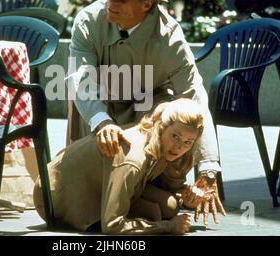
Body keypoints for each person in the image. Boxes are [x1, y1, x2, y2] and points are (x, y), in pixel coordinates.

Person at [65, 0, 225, 224]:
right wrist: (102, 121)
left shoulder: (170, 37)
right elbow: (81, 78)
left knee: (176, 113)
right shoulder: (88, 21)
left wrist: (208, 169)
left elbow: (194, 96)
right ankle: (89, 187)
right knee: (83, 99)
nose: (110, 3)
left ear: (147, 4)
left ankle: (160, 188)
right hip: (100, 102)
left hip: (149, 107)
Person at [34, 99, 217, 234]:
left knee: (170, 206)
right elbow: (113, 227)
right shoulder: (133, 158)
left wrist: (189, 198)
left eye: (188, 142)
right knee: (161, 216)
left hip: (95, 184)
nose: (179, 147)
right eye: (175, 136)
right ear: (161, 127)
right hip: (54, 198)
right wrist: (168, 227)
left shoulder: (164, 145)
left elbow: (176, 191)